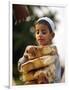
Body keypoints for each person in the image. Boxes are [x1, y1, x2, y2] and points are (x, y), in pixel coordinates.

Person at [18, 17, 61, 84]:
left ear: (52, 35)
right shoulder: (32, 51)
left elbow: (57, 78)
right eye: (37, 32)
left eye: (43, 32)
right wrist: (25, 56)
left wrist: (48, 80)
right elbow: (21, 68)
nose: (39, 35)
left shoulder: (54, 54)